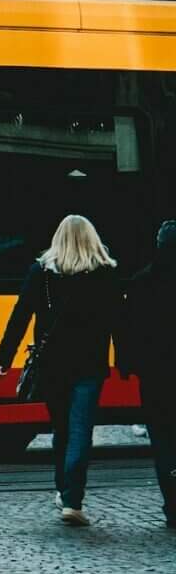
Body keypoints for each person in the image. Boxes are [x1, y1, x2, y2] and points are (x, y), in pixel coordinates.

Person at [0, 212, 124, 527]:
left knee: (61, 429)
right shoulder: (105, 274)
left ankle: (63, 489)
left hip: (52, 365)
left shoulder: (41, 273)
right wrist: (125, 359)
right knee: (81, 431)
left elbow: (20, 314)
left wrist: (4, 356)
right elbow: (119, 321)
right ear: (92, 239)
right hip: (90, 365)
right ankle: (72, 499)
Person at [121, 221, 176, 530]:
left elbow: (128, 330)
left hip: (155, 377)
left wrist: (129, 366)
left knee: (164, 442)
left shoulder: (142, 282)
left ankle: (172, 503)